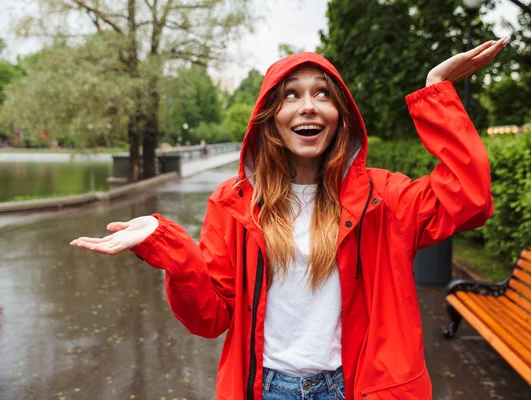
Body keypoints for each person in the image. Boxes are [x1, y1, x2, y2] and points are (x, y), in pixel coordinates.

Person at [71, 37, 507, 400]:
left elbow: (469, 198)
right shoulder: (234, 203)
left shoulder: (384, 198)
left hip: (358, 387)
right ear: (271, 118)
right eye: (291, 95)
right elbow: (210, 318)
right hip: (267, 388)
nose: (309, 106)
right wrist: (168, 246)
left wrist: (435, 90)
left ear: (340, 117)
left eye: (322, 94)